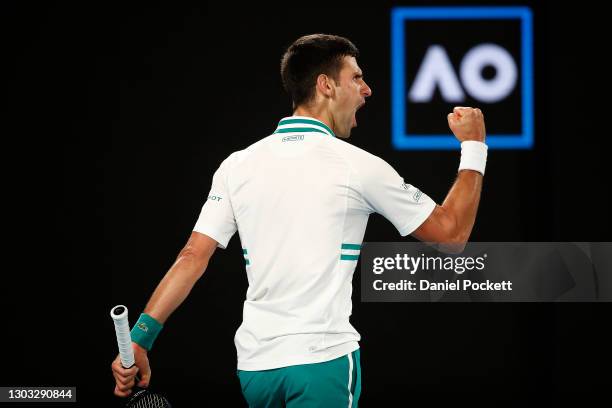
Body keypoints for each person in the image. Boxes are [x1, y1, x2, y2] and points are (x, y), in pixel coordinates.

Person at [111, 33, 487, 407]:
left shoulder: (237, 165)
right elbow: (451, 235)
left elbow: (191, 257)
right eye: (356, 77)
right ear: (325, 85)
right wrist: (473, 146)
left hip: (256, 371)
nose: (367, 89)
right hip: (322, 362)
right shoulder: (357, 165)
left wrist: (141, 338)